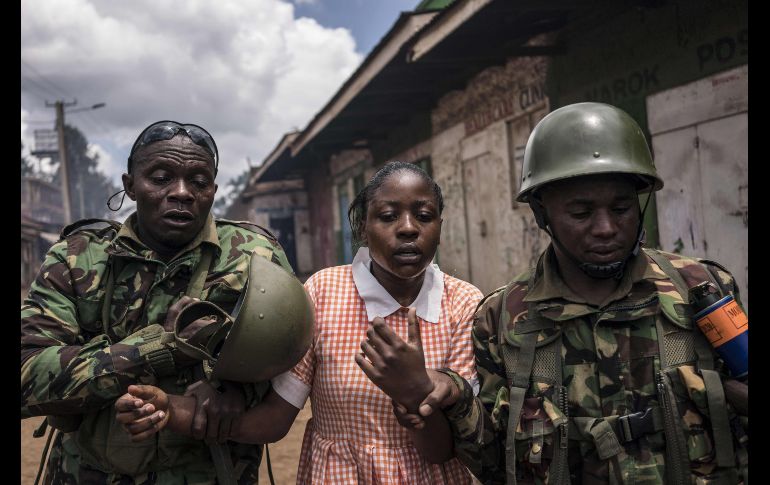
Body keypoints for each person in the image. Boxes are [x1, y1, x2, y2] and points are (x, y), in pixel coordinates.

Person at [367, 103, 749, 484]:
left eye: (621, 208)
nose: (605, 227)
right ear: (541, 213)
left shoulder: (702, 290)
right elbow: (494, 463)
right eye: (581, 213)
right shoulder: (504, 319)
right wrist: (453, 396)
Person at [116, 161, 484, 484]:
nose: (407, 228)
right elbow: (274, 421)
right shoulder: (323, 293)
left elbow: (441, 452)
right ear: (362, 226)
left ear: (440, 223)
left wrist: (414, 391)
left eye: (424, 215)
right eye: (388, 216)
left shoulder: (464, 303)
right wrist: (171, 410)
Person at [21, 120, 297, 484]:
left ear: (213, 189)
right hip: (86, 473)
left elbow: (291, 358)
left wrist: (240, 389)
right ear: (130, 186)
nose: (182, 192)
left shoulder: (255, 258)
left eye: (199, 182)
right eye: (161, 177)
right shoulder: (77, 258)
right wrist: (158, 346)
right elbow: (29, 377)